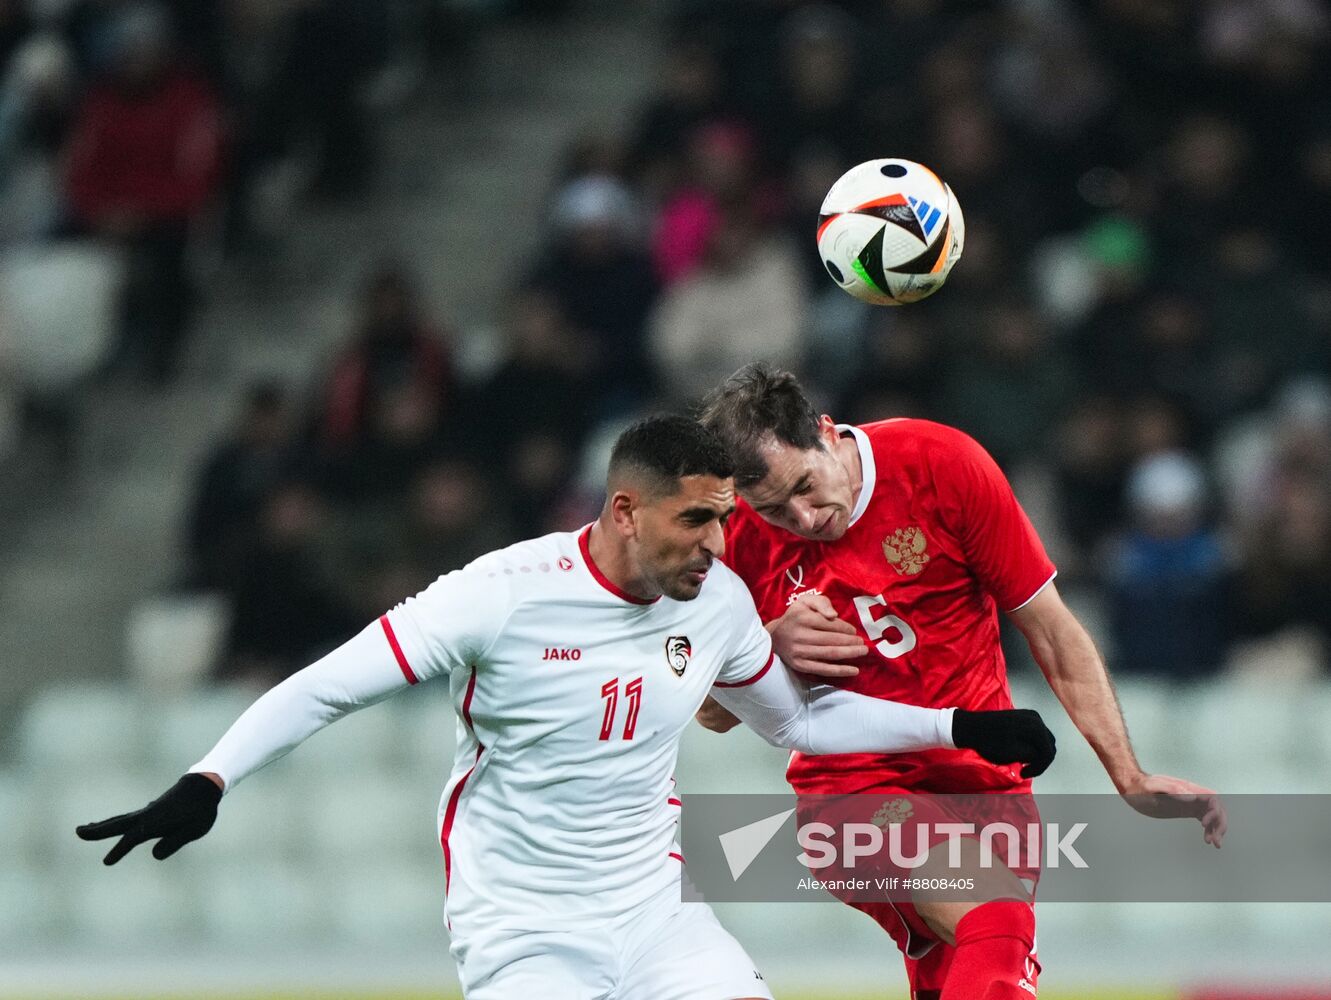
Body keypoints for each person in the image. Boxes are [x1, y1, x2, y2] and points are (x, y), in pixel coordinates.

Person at [77, 415, 1056, 1000]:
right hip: (524, 926)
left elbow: (796, 722)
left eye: (725, 518)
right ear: (625, 512)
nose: (720, 545)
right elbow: (329, 683)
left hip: (656, 913)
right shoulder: (498, 596)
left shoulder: (714, 600)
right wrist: (210, 776)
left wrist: (955, 729)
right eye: (695, 521)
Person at [697, 364, 1227, 1000]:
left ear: (826, 432)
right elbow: (710, 712)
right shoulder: (733, 540)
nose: (803, 520)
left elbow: (1052, 629)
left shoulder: (939, 465)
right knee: (998, 916)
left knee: (973, 974)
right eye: (775, 510)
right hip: (853, 789)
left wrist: (1129, 775)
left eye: (805, 488)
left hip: (988, 781)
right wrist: (766, 647)